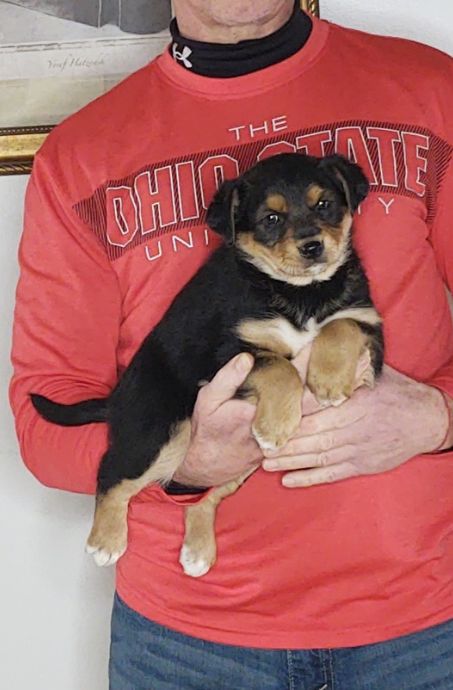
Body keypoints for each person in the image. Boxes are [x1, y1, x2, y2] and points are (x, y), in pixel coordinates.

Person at [9, 1, 453, 688]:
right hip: (187, 645)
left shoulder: (429, 91)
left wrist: (438, 418)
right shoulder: (81, 157)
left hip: (428, 622)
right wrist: (186, 459)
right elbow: (46, 415)